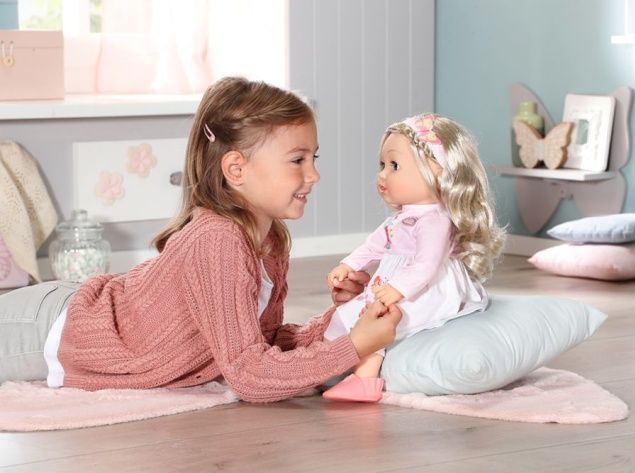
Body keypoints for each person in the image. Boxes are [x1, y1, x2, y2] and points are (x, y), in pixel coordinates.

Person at [0, 77, 402, 403]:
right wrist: (351, 346)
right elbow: (250, 376)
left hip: (78, 310)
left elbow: (261, 343)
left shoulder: (270, 239)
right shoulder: (218, 241)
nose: (313, 175)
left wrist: (342, 318)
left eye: (314, 158)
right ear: (236, 169)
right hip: (52, 328)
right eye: (297, 160)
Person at [321, 113, 505, 402]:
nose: (383, 174)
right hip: (392, 282)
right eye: (382, 165)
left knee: (379, 319)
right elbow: (373, 246)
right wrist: (349, 264)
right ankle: (341, 363)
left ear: (437, 171)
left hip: (426, 286)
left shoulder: (435, 220)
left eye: (394, 165)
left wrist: (398, 288)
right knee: (350, 315)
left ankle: (365, 380)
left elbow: (427, 265)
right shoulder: (401, 217)